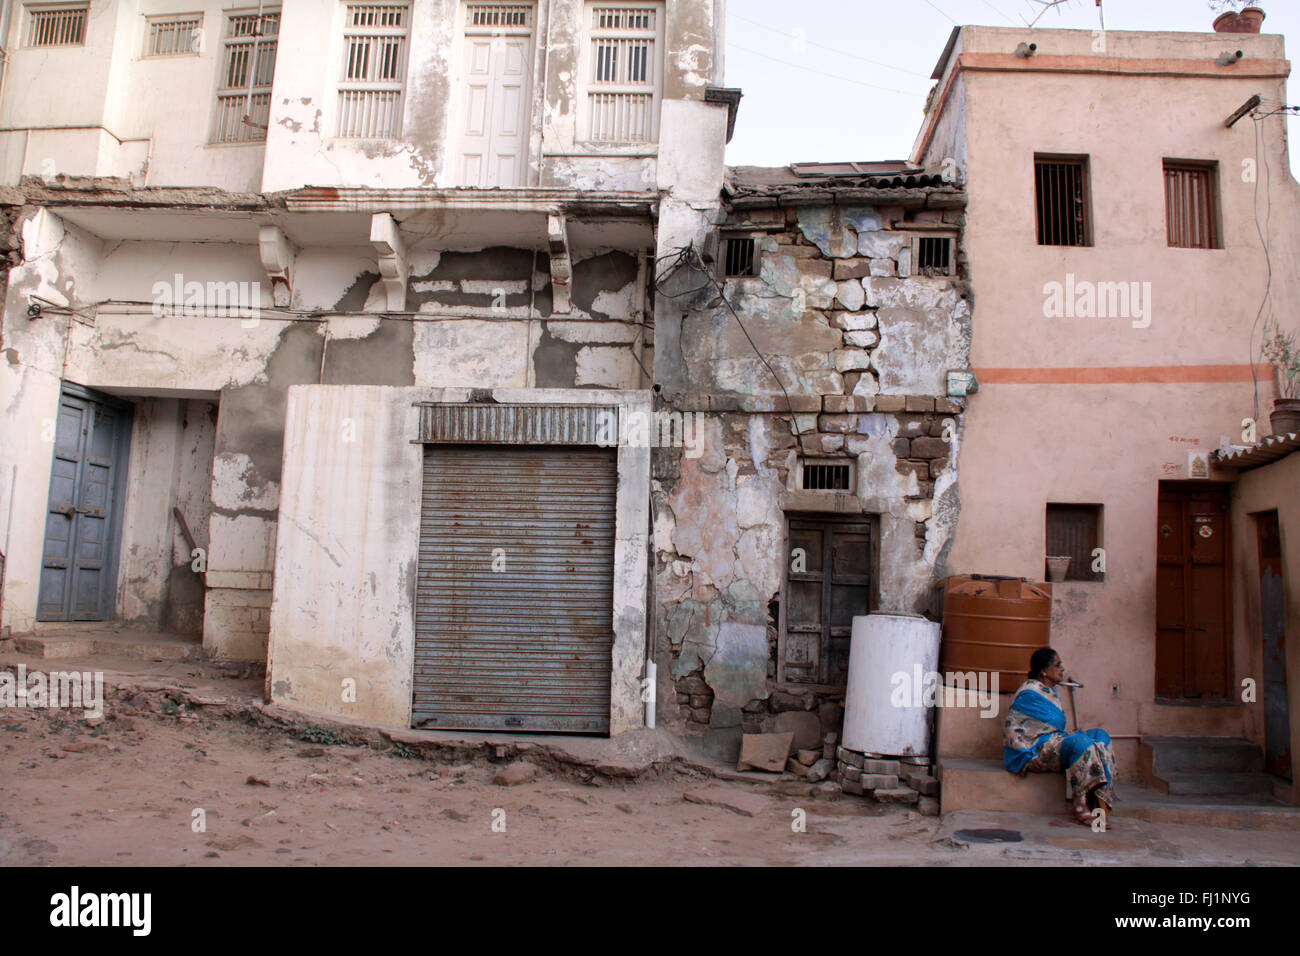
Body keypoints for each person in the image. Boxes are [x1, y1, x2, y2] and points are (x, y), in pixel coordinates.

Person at [1003, 646, 1116, 825]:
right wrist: (1027, 756)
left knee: (1100, 736)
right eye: (1057, 665)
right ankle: (1080, 803)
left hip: (1056, 740)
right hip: (1038, 749)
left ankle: (1099, 797)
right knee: (1080, 743)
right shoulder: (1030, 692)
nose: (1062, 668)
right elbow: (1011, 727)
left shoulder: (1051, 690)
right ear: (1044, 671)